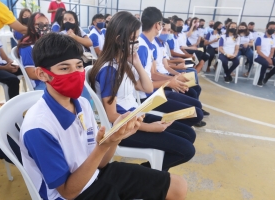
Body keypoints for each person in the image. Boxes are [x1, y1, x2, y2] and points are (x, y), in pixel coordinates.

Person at [19, 32, 187, 200]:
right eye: (64, 68)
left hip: (95, 174)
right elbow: (68, 192)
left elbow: (101, 163)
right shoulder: (38, 127)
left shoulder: (82, 104)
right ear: (42, 74)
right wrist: (102, 147)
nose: (76, 73)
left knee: (178, 187)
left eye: (78, 66)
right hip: (74, 193)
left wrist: (116, 136)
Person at [90, 11, 196, 171]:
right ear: (120, 41)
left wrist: (136, 62)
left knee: (189, 134)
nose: (137, 44)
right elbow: (112, 115)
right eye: (134, 40)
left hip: (136, 117)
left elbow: (146, 88)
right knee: (186, 149)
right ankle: (151, 173)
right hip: (123, 129)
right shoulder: (109, 71)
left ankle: (157, 169)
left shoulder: (123, 63)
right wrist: (149, 127)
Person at [138, 7, 205, 127]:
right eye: (164, 28)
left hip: (154, 91)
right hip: (147, 98)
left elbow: (153, 73)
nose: (166, 32)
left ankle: (178, 126)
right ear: (158, 25)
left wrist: (174, 79)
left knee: (196, 107)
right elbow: (141, 84)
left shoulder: (148, 45)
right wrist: (169, 82)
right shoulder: (143, 47)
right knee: (196, 113)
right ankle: (172, 126)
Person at [17, 12, 50, 90]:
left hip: (51, 80)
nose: (45, 27)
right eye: (41, 24)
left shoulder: (46, 43)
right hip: (41, 84)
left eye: (47, 24)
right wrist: (53, 76)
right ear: (32, 26)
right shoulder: (27, 47)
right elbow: (31, 73)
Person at [254, 21, 275, 86]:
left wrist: (270, 58)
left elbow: (272, 51)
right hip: (259, 57)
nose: (272, 29)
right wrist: (267, 58)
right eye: (271, 28)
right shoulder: (260, 38)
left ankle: (268, 75)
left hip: (268, 57)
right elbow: (258, 51)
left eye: (274, 28)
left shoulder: (273, 39)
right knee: (265, 63)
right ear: (266, 28)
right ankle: (260, 79)